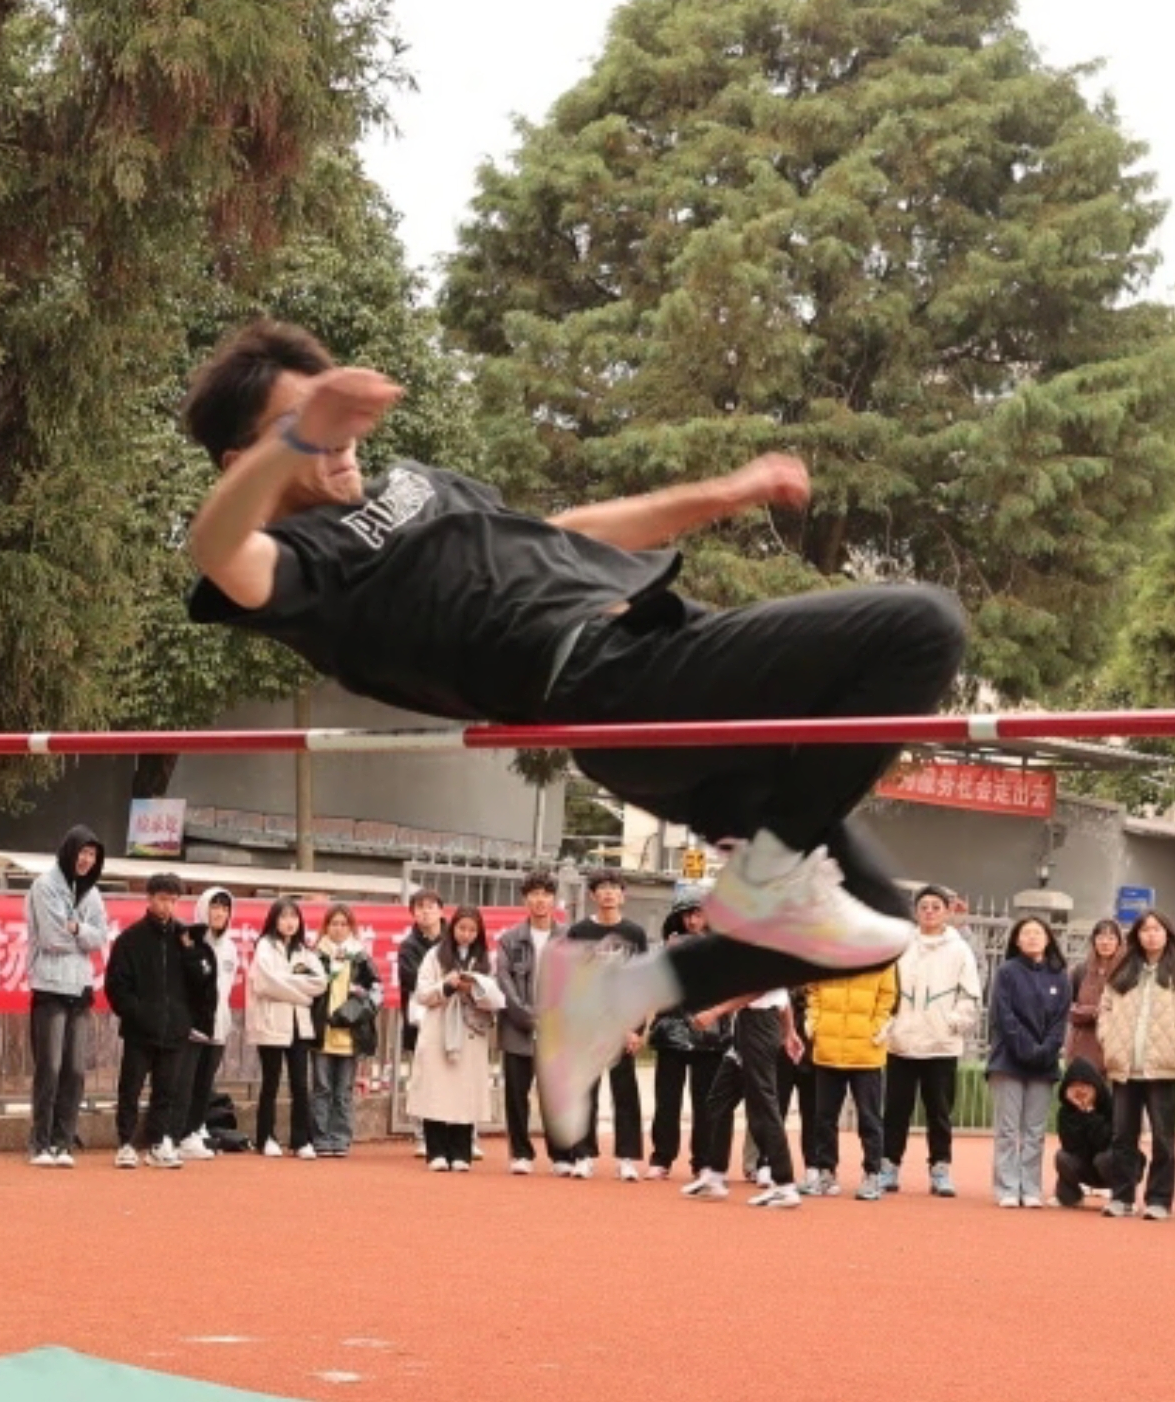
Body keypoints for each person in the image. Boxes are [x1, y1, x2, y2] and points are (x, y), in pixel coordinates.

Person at [179, 321, 965, 1159]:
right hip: (618, 679)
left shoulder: (416, 483)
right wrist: (301, 435)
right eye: (302, 425)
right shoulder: (298, 565)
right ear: (242, 460)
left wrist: (724, 493)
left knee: (878, 928)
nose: (337, 438)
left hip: (658, 669)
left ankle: (610, 996)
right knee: (922, 626)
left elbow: (567, 534)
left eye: (336, 417)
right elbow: (214, 547)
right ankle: (772, 872)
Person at [1099, 910, 1175, 1220]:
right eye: (1145, 929)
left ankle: (1159, 1199)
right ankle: (1122, 1197)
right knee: (1122, 1137)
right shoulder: (1123, 970)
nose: (1151, 935)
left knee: (1163, 1138)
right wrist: (1108, 1039)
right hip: (1125, 1068)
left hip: (1163, 1067)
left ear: (1167, 934)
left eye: (1157, 929)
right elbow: (1105, 1009)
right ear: (1136, 935)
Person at [882, 887, 986, 1199]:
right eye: (924, 906)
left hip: (941, 1045)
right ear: (916, 912)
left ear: (947, 912)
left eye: (936, 906)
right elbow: (885, 987)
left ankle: (940, 1167)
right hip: (901, 1042)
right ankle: (889, 1165)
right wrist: (890, 1024)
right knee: (896, 1109)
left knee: (939, 1111)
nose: (929, 911)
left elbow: (970, 994)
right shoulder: (901, 945)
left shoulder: (959, 950)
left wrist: (954, 1022)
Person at [550, 873, 651, 1179]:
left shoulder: (635, 933)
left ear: (622, 895)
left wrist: (638, 1029)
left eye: (614, 889)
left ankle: (627, 1158)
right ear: (593, 895)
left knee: (625, 1092)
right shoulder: (579, 932)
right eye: (602, 889)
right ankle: (583, 1155)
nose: (608, 894)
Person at [24, 825, 115, 1163]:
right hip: (49, 986)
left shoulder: (93, 894)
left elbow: (100, 937)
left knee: (75, 1070)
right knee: (49, 1067)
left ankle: (63, 1141)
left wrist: (77, 928)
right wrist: (81, 937)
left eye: (92, 855)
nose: (86, 859)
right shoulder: (45, 886)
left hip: (81, 988)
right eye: (82, 852)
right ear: (69, 851)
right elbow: (51, 938)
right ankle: (40, 1142)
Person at [106, 873, 201, 1170]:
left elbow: (199, 982)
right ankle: (125, 1143)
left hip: (175, 1029)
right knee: (130, 1088)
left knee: (166, 1090)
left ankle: (159, 1143)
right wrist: (136, 1013)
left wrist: (186, 1018)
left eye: (173, 900)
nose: (167, 906)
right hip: (139, 1030)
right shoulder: (130, 939)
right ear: (149, 899)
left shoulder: (185, 938)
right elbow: (116, 986)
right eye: (162, 899)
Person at [985, 916, 1075, 1210]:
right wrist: (1025, 1047)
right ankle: (1007, 1187)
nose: (1032, 937)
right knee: (1008, 1130)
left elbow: (1060, 1021)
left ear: (1048, 939)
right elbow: (1003, 1015)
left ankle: (1031, 1187)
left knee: (1035, 1131)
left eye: (1038, 932)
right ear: (1016, 939)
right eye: (1026, 933)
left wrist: (1045, 1049)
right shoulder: (1007, 972)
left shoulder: (1060, 976)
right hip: (1008, 1060)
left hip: (1044, 1065)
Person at [408, 903, 503, 1169]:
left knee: (465, 1091)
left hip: (471, 1029)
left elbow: (497, 997)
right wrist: (447, 985)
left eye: (472, 930)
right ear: (452, 928)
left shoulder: (485, 959)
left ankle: (461, 1151)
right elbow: (422, 993)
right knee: (436, 1090)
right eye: (462, 928)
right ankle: (436, 1151)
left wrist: (476, 989)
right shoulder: (435, 955)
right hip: (439, 1027)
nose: (466, 934)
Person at [645, 897, 731, 1190]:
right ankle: (661, 1158)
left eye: (699, 915)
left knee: (705, 1102)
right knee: (667, 1101)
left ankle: (703, 1161)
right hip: (671, 1031)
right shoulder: (666, 948)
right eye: (687, 916)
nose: (693, 921)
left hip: (710, 1033)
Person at [797, 961, 899, 1200]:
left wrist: (876, 1027)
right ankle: (826, 1172)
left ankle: (872, 1174)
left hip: (867, 1052)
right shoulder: (827, 952)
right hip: (828, 1049)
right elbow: (813, 989)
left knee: (869, 1118)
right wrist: (815, 1020)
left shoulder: (882, 957)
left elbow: (888, 996)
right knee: (823, 1117)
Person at [242, 898, 329, 1157]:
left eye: (294, 916)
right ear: (274, 920)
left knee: (300, 1084)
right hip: (271, 1023)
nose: (289, 922)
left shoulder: (305, 951)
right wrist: (301, 994)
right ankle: (266, 1137)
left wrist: (288, 984)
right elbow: (265, 983)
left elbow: (320, 982)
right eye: (283, 916)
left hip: (299, 1025)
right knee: (270, 1082)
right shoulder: (265, 947)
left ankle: (301, 1140)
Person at [493, 875, 561, 1173]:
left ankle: (562, 1155)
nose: (540, 900)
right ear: (525, 900)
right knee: (516, 1096)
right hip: (517, 1030)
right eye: (534, 894)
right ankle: (521, 1154)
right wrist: (529, 1017)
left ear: (554, 899)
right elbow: (504, 982)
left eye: (545, 894)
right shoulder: (510, 940)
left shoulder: (569, 938)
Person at [732, 986, 805, 1208]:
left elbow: (756, 990)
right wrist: (789, 1031)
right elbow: (783, 995)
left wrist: (714, 1012)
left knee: (765, 1106)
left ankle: (784, 1183)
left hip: (759, 1022)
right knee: (738, 1102)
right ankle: (713, 1173)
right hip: (753, 1022)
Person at [311, 905, 375, 1159]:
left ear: (351, 928)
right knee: (321, 1088)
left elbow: (376, 992)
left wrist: (353, 1012)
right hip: (322, 1033)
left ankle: (341, 1138)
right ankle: (320, 1137)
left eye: (343, 924)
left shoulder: (360, 957)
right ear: (326, 927)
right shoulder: (316, 956)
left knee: (343, 1091)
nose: (338, 929)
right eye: (334, 924)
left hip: (350, 1034)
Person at [180, 886, 234, 1159]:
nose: (220, 913)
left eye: (225, 908)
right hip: (194, 1026)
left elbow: (226, 989)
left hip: (219, 1024)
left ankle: (197, 1126)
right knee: (187, 1080)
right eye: (215, 907)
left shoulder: (231, 947)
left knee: (205, 1081)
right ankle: (182, 1132)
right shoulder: (191, 941)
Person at [1052, 1060, 1125, 1211]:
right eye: (1074, 1086)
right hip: (1087, 1165)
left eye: (1085, 1085)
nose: (1080, 1090)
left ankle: (1123, 1198)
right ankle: (1070, 1197)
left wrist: (1090, 1114)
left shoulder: (1112, 1106)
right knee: (1062, 1157)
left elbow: (1107, 1142)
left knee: (1104, 1158)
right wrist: (1080, 1113)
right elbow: (1071, 1147)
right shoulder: (1065, 1113)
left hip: (1115, 1165)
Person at [1066, 917, 1127, 1078]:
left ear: (1119, 942)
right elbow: (1065, 1007)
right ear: (1093, 941)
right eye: (1101, 937)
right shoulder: (1080, 971)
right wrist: (1093, 1012)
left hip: (1117, 1049)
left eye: (1111, 938)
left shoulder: (1127, 973)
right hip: (1082, 1048)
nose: (1105, 942)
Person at [391, 891, 447, 1062]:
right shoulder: (408, 947)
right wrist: (444, 984)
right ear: (413, 913)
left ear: (441, 911)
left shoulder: (453, 941)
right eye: (420, 907)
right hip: (422, 1019)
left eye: (430, 907)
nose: (425, 911)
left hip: (452, 1017)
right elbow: (415, 983)